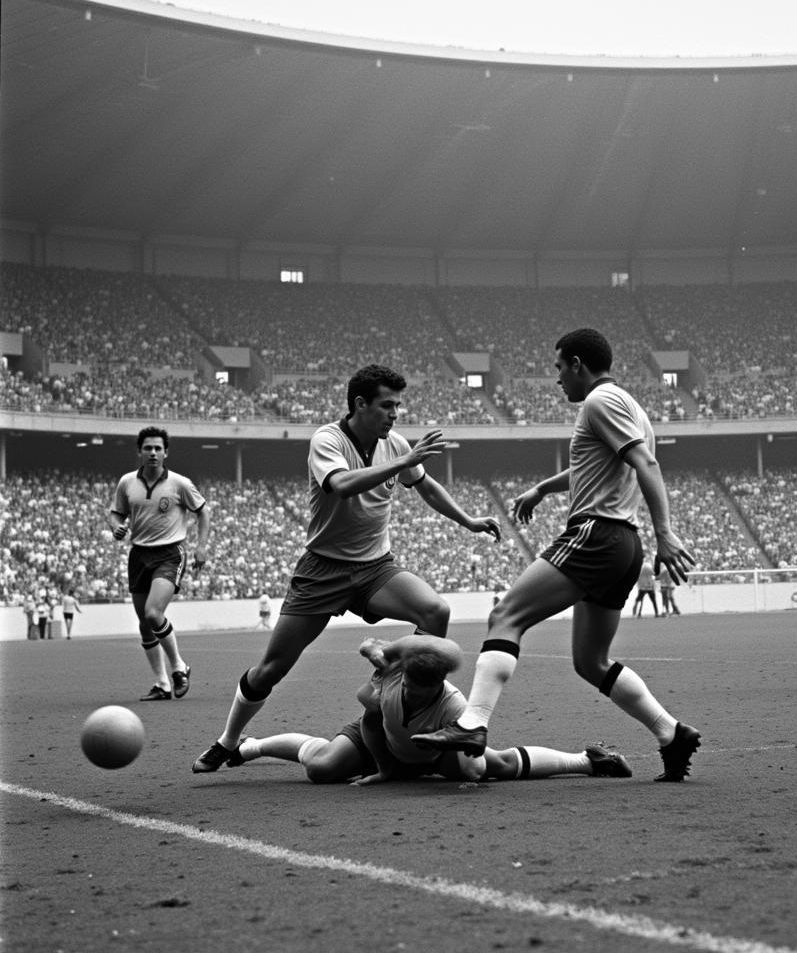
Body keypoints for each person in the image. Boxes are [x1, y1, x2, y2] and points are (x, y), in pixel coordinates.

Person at [412, 328, 702, 782]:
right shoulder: (629, 407)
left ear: (578, 365)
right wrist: (544, 488)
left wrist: (667, 531)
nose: (557, 379)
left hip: (595, 533)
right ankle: (671, 733)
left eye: (559, 368)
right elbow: (595, 462)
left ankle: (472, 725)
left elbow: (646, 464)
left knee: (505, 616)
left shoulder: (598, 401)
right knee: (591, 662)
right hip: (623, 544)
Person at [192, 363, 501, 772]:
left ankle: (400, 700)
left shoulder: (394, 443)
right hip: (324, 570)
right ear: (360, 404)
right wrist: (403, 460)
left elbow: (424, 484)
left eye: (398, 406)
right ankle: (229, 741)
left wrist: (469, 521)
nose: (395, 415)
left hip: (375, 567)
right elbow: (341, 485)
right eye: (387, 406)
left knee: (435, 611)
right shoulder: (327, 439)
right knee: (272, 669)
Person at [221, 634, 632, 785]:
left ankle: (590, 760)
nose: (417, 695)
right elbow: (369, 719)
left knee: (498, 767)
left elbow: (471, 765)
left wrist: (465, 768)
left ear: (438, 684)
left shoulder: (455, 705)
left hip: (436, 751)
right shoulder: (390, 682)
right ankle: (251, 747)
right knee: (321, 769)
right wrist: (384, 769)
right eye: (412, 688)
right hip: (381, 740)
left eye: (425, 691)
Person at [110, 426, 210, 701]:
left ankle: (179, 666)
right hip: (139, 554)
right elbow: (115, 514)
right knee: (144, 624)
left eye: (158, 448)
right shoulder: (127, 482)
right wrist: (116, 527)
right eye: (148, 448)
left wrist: (201, 547)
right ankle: (162, 684)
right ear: (140, 451)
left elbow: (203, 512)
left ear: (166, 452)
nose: (153, 453)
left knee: (154, 613)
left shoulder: (179, 483)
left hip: (170, 553)